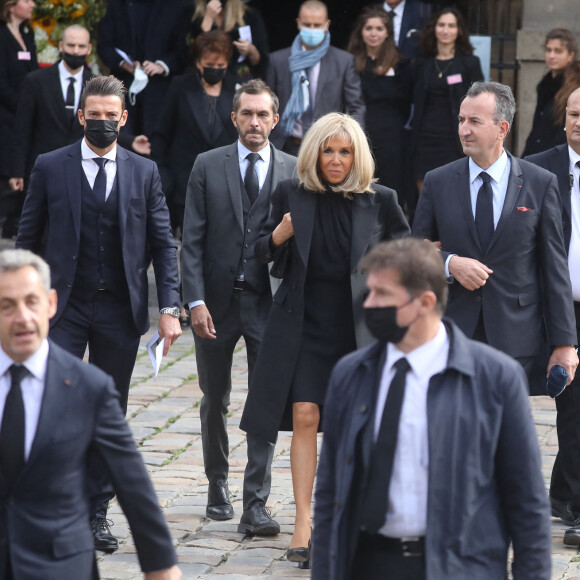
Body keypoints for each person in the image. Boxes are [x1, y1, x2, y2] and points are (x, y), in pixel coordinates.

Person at [311, 237, 551, 580]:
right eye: (370, 292)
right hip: (367, 564)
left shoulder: (495, 379)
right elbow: (331, 492)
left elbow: (526, 500)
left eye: (383, 295)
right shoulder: (351, 374)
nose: (369, 304)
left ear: (424, 301)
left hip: (459, 567)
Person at [16, 75, 182, 554]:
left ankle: (97, 513)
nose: (104, 122)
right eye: (96, 115)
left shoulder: (144, 172)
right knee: (53, 406)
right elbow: (28, 239)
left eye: (113, 116)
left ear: (124, 118)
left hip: (118, 309)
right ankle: (50, 507)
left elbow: (162, 245)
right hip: (62, 308)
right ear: (81, 115)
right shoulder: (51, 166)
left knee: (109, 411)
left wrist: (169, 307)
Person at [239, 112, 410, 568]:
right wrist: (279, 234)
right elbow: (256, 248)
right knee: (305, 414)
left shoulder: (381, 200)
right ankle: (303, 520)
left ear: (358, 156)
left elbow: (407, 257)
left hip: (359, 329)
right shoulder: (289, 193)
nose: (335, 159)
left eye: (345, 151)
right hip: (302, 324)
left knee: (353, 425)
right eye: (328, 150)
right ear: (314, 153)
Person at [0, 249, 182, 580]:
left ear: (51, 304)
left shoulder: (89, 388)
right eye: (7, 306)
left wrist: (161, 567)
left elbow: (131, 481)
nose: (22, 317)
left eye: (32, 302)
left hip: (61, 564)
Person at [181, 79, 297, 534]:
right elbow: (190, 239)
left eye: (262, 114)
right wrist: (194, 301)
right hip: (215, 302)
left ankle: (256, 502)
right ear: (234, 118)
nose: (254, 122)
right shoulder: (207, 165)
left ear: (275, 118)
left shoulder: (292, 169)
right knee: (215, 399)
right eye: (246, 114)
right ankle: (217, 483)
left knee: (265, 401)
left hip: (269, 304)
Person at [412, 81, 578, 395]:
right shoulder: (439, 181)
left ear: (501, 128)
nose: (464, 130)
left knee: (503, 434)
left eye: (474, 121)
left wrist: (564, 343)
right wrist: (450, 263)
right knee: (454, 432)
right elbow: (413, 252)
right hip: (451, 332)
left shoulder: (539, 183)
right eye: (461, 120)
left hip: (517, 337)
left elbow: (555, 268)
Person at [526, 87, 580, 546]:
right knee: (573, 406)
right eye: (574, 114)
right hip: (562, 308)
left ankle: (564, 494)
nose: (579, 121)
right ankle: (576, 505)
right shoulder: (542, 167)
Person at [9, 25, 151, 195]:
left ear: (89, 49)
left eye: (81, 46)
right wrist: (16, 170)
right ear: (61, 46)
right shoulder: (36, 81)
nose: (76, 51)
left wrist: (130, 141)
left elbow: (102, 123)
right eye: (71, 45)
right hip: (42, 170)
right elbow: (22, 129)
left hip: (84, 171)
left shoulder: (97, 85)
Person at [152, 30, 239, 239]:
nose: (215, 70)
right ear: (199, 63)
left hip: (225, 184)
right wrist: (163, 174)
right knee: (190, 245)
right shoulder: (181, 86)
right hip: (185, 183)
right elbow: (163, 131)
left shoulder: (238, 90)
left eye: (220, 66)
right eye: (210, 65)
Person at [267, 0, 365, 155]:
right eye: (307, 24)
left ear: (327, 25)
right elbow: (267, 106)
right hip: (286, 147)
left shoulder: (343, 61)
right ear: (298, 24)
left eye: (317, 25)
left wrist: (349, 145)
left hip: (327, 148)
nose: (312, 29)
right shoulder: (277, 61)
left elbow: (355, 107)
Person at [347, 5, 412, 212]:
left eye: (379, 29)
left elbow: (407, 101)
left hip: (392, 137)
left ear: (387, 33)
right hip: (359, 134)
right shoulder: (349, 62)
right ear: (361, 32)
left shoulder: (401, 64)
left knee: (391, 189)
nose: (373, 34)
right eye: (369, 28)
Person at [412, 7, 484, 191]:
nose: (446, 30)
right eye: (441, 25)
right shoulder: (423, 63)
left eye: (451, 26)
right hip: (424, 137)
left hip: (454, 137)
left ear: (459, 30)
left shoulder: (469, 63)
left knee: (453, 192)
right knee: (425, 192)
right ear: (434, 28)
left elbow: (480, 101)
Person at [97, 0, 191, 136]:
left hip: (160, 93)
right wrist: (123, 63)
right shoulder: (118, 5)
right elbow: (105, 46)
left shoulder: (178, 6)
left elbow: (184, 51)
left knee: (156, 144)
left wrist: (162, 66)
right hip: (124, 90)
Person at [0, 0, 37, 239]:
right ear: (11, 6)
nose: (33, 4)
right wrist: (22, 105)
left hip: (25, 112)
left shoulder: (28, 33)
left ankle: (15, 221)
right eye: (26, 0)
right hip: (6, 113)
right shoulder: (2, 36)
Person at [522, 28, 580, 157]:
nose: (551, 56)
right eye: (548, 50)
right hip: (536, 154)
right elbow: (537, 129)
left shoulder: (576, 89)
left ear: (571, 55)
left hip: (556, 157)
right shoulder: (544, 84)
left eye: (558, 51)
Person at [189, 0, 269, 80]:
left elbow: (261, 62)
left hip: (239, 78)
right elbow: (189, 56)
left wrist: (250, 49)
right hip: (203, 79)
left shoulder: (249, 15)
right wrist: (208, 20)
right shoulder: (191, 15)